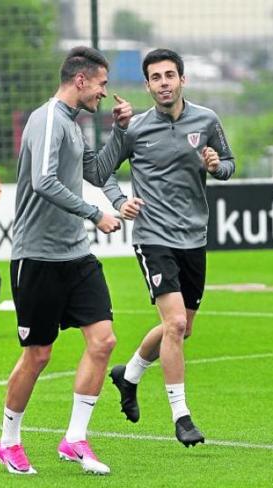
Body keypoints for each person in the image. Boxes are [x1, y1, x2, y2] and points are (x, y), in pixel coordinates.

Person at [0, 46, 133, 475]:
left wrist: (120, 134)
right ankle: (9, 441)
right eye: (102, 84)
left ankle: (74, 439)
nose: (105, 94)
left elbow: (95, 172)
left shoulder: (76, 124)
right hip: (37, 257)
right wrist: (96, 213)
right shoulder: (49, 117)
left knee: (104, 341)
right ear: (81, 80)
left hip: (76, 255)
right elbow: (43, 180)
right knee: (38, 355)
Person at [103, 48, 235, 447]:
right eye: (155, 77)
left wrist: (216, 166)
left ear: (182, 79)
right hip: (152, 237)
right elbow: (101, 171)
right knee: (175, 323)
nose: (163, 83)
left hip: (193, 237)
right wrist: (118, 202)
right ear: (147, 85)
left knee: (181, 327)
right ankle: (182, 417)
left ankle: (129, 376)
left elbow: (228, 164)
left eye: (169, 75)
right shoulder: (134, 128)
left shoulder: (207, 120)